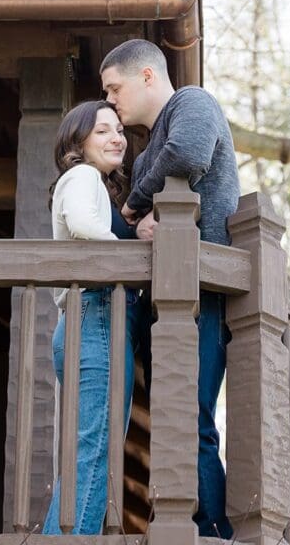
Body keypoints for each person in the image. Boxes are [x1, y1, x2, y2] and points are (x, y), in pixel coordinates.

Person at [100, 39, 239, 540]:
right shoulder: (143, 159)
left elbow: (188, 154)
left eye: (114, 88)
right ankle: (187, 525)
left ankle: (213, 531)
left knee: (193, 419)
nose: (110, 100)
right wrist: (136, 221)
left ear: (146, 76)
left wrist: (134, 204)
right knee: (172, 421)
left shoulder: (192, 103)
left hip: (203, 295)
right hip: (161, 305)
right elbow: (140, 224)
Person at [42, 100, 141, 535]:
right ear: (78, 142)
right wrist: (135, 258)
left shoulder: (92, 183)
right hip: (96, 314)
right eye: (102, 131)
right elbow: (83, 224)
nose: (116, 138)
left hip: (85, 320)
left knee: (91, 450)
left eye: (118, 130)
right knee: (96, 450)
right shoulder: (82, 175)